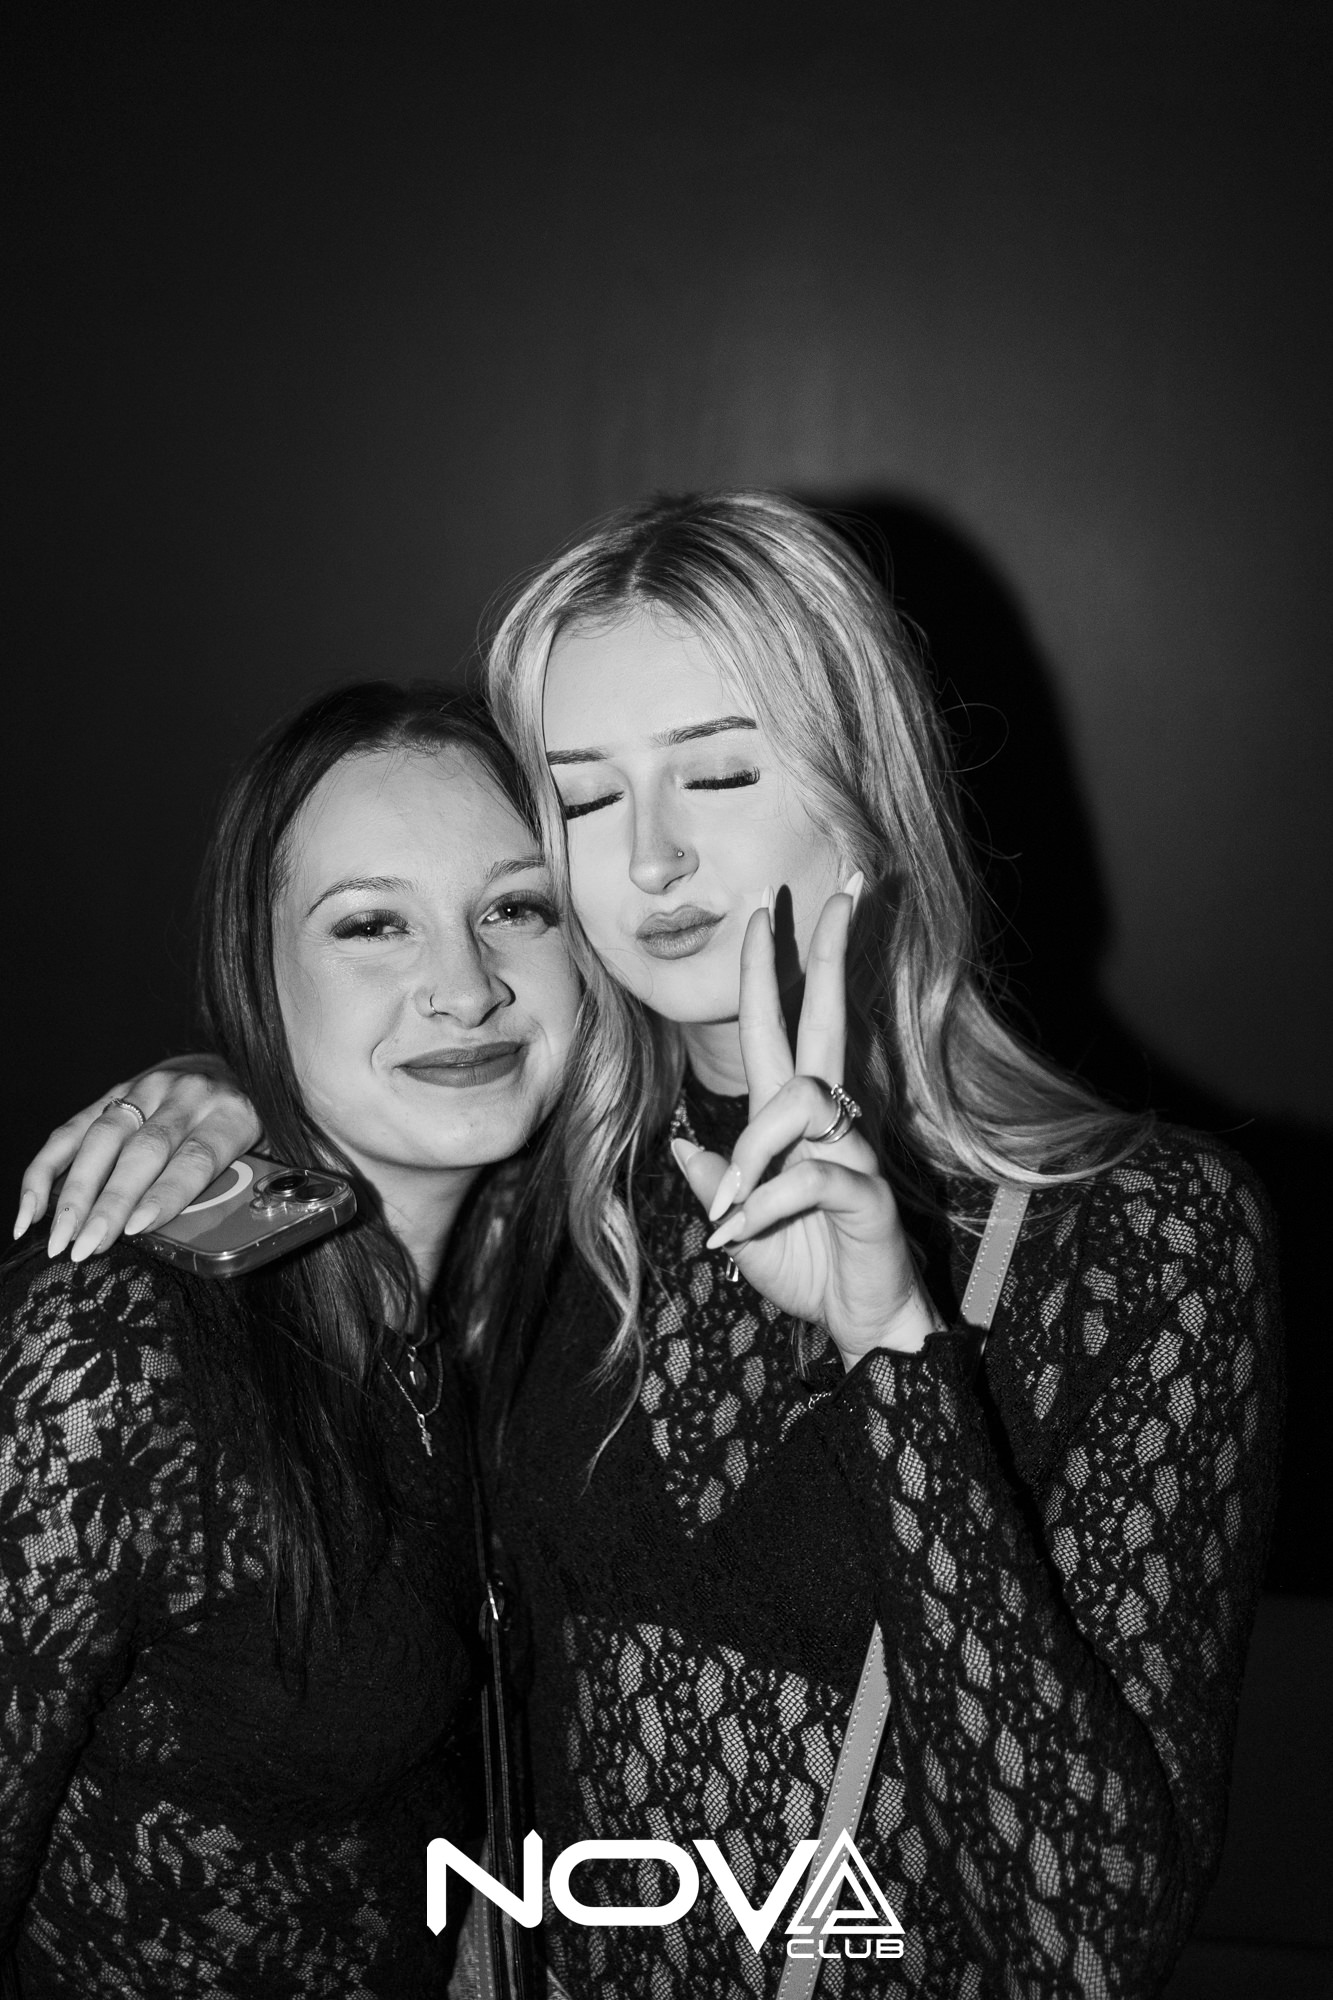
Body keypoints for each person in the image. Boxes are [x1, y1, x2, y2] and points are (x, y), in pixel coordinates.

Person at [21, 494, 1283, 1999]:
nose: (656, 858)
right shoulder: (558, 1190)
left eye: (721, 773)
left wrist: (895, 1352)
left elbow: (1083, 1942)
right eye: (586, 800)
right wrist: (231, 1090)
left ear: (865, 779)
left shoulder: (1139, 1232)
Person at [1, 682, 581, 1996]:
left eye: (516, 907)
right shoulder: (121, 1347)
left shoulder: (529, 1291)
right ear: (253, 977)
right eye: (371, 924)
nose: (464, 987)